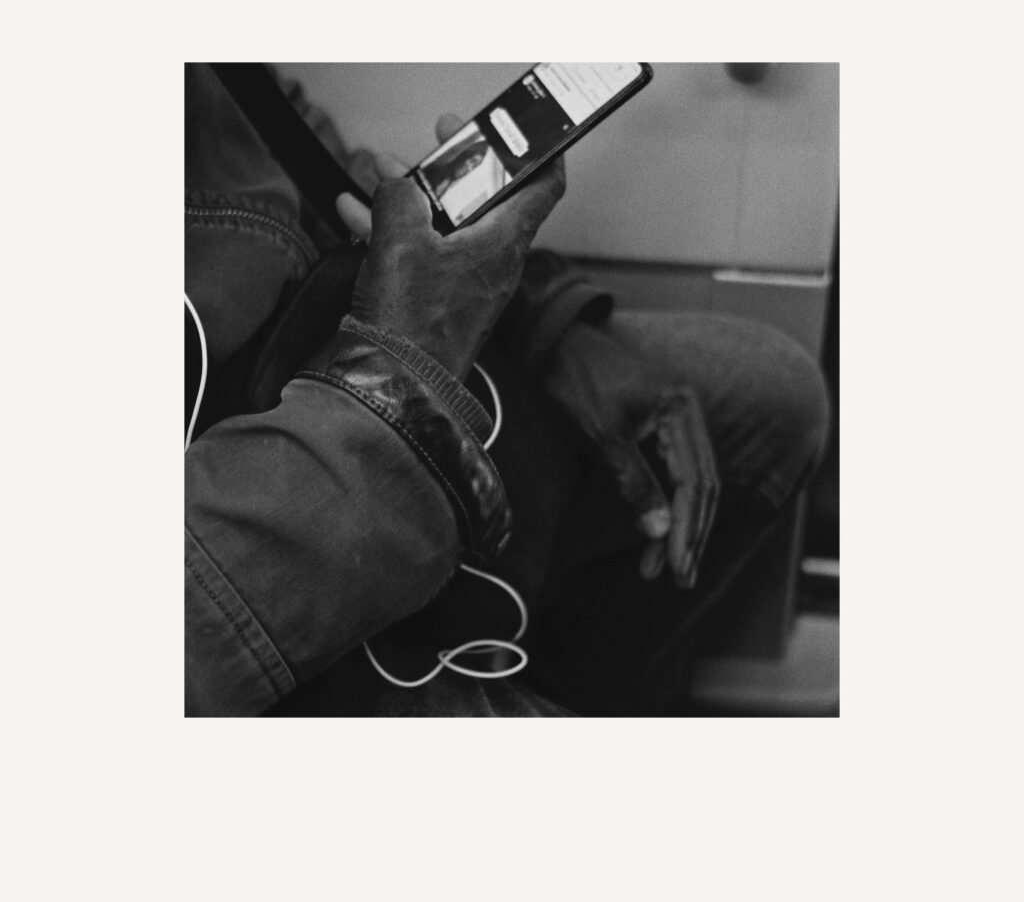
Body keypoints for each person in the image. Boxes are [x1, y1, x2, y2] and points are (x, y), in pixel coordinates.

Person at [184, 63, 830, 717]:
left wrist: (541, 319)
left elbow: (304, 153)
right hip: (251, 569)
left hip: (332, 348)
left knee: (774, 398)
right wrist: (412, 355)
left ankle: (583, 689)